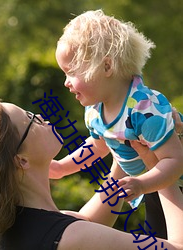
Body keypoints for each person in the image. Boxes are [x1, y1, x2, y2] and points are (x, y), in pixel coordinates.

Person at [0, 98, 183, 250]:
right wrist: (160, 165)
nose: (41, 117)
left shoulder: (10, 233)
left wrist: (122, 142)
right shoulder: (71, 238)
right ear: (21, 160)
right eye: (31, 120)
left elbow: (87, 221)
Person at [53, 9, 183, 239]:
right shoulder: (95, 110)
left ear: (106, 67)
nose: (66, 82)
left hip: (171, 183)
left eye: (71, 72)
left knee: (165, 240)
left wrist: (142, 184)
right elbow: (99, 145)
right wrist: (63, 167)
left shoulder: (143, 109)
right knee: (157, 238)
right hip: (150, 184)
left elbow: (175, 160)